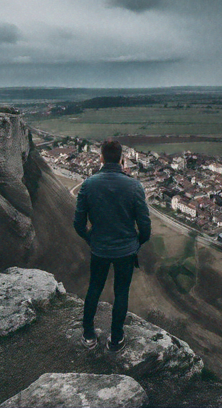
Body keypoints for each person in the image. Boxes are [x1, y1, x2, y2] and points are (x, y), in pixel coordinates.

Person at [74, 139, 151, 352]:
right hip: (126, 250)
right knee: (121, 292)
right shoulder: (134, 186)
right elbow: (145, 224)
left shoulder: (89, 184)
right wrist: (137, 242)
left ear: (101, 157)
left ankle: (88, 334)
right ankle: (116, 339)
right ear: (121, 158)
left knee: (94, 288)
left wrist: (91, 239)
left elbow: (78, 222)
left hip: (99, 248)